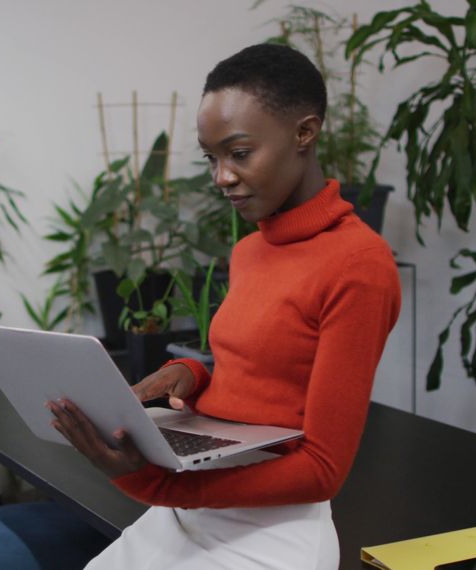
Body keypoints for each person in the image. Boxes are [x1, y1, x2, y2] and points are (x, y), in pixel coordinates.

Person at [47, 43, 402, 569]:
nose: (221, 177)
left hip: (273, 532)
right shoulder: (251, 249)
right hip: (193, 509)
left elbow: (324, 468)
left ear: (305, 133)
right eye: (212, 158)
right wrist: (189, 373)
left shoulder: (359, 265)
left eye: (239, 153)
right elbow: (257, 373)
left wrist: (154, 483)